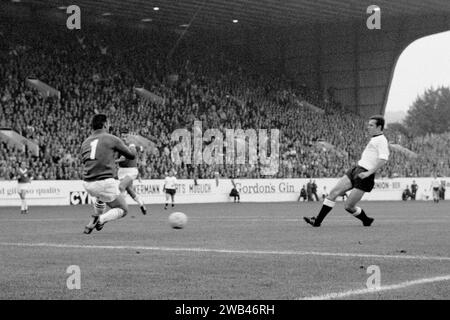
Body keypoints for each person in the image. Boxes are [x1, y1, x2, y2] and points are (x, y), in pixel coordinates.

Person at [303, 115, 389, 227]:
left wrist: (368, 173)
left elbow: (384, 159)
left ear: (379, 127)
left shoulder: (381, 140)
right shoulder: (375, 139)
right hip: (356, 170)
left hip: (365, 175)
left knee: (349, 206)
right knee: (333, 193)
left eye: (371, 125)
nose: (368, 127)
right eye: (368, 125)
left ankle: (366, 220)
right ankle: (317, 221)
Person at [81, 114, 138, 234]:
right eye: (109, 123)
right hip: (104, 181)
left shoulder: (85, 142)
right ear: (105, 124)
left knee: (101, 197)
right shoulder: (111, 138)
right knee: (123, 209)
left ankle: (96, 215)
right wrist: (132, 145)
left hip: (87, 183)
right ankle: (100, 219)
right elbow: (131, 155)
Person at [116, 130, 147, 215]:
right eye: (123, 136)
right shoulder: (118, 145)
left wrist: (143, 160)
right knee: (129, 190)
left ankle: (122, 208)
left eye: (126, 136)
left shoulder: (132, 145)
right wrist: (117, 160)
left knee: (121, 187)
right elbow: (118, 159)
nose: (124, 138)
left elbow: (143, 149)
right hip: (121, 171)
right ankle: (141, 204)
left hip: (131, 170)